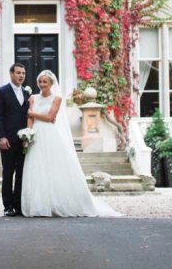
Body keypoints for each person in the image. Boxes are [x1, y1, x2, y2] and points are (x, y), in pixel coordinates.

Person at [21, 70, 121, 218]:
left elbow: (49, 117)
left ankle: (56, 203)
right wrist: (27, 134)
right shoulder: (33, 98)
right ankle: (39, 205)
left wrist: (33, 114)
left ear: (51, 84)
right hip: (36, 135)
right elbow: (29, 119)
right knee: (37, 167)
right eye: (40, 82)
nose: (42, 84)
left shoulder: (57, 99)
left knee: (52, 168)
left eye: (45, 82)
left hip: (50, 134)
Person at [0, 62, 30, 216]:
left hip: (23, 141)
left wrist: (28, 135)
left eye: (23, 73)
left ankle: (18, 205)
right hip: (7, 140)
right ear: (11, 74)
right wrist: (1, 137)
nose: (21, 75)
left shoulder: (27, 93)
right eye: (18, 73)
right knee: (8, 173)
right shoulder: (1, 92)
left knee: (21, 173)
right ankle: (8, 206)